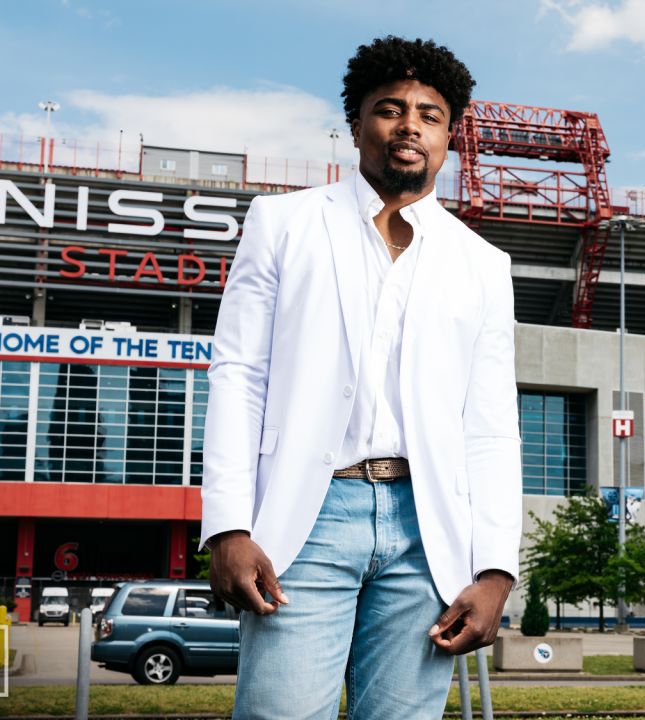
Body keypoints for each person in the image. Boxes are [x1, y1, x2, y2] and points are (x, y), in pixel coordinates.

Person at [199, 36, 521, 719]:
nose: (410, 125)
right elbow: (238, 376)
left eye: (430, 115)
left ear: (449, 136)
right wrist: (227, 525)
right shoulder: (283, 223)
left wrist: (495, 569)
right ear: (356, 125)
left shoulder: (483, 264)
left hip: (427, 533)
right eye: (390, 109)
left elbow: (489, 425)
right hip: (306, 521)